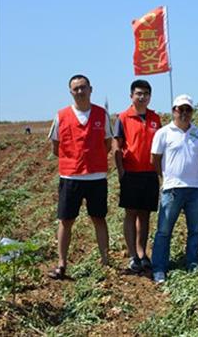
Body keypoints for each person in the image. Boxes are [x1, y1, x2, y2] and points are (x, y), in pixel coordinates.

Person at [47, 74, 112, 279]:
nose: (80, 92)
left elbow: (108, 144)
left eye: (83, 87)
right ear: (71, 92)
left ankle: (105, 261)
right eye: (76, 89)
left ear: (91, 89)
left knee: (99, 218)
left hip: (96, 177)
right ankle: (61, 263)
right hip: (70, 176)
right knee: (66, 220)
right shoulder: (61, 116)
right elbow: (56, 147)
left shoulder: (102, 114)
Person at [150, 95, 198, 284]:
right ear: (173, 110)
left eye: (188, 110)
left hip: (195, 188)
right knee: (164, 230)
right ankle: (159, 268)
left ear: (192, 112)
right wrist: (166, 178)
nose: (183, 113)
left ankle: (192, 263)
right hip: (172, 189)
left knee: (196, 230)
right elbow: (155, 159)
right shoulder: (163, 133)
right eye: (180, 109)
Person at [113, 79, 161, 273]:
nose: (142, 97)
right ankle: (132, 254)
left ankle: (143, 253)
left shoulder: (155, 118)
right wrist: (121, 170)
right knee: (131, 213)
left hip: (149, 173)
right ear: (131, 96)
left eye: (146, 94)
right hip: (131, 172)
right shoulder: (123, 118)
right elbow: (117, 145)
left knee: (145, 214)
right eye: (138, 93)